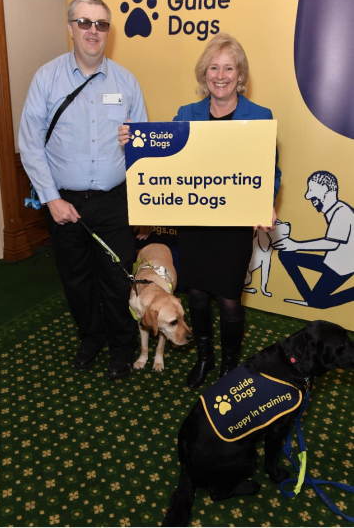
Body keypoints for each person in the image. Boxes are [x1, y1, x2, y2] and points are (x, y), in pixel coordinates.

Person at [119, 32, 281, 388]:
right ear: (203, 73)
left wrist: (265, 201)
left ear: (240, 75)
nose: (220, 75)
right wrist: (134, 144)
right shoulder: (185, 114)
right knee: (196, 295)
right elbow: (166, 165)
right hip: (195, 223)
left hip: (233, 226)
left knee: (229, 301)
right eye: (213, 67)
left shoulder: (260, 116)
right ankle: (205, 358)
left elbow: (271, 171)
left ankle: (228, 367)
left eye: (228, 68)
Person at [19, 0, 149, 380]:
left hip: (114, 201)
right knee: (76, 281)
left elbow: (145, 149)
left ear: (108, 31)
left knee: (116, 278)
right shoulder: (46, 78)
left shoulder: (126, 81)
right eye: (85, 23)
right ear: (71, 28)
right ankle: (90, 338)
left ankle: (123, 347)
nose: (94, 31)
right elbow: (29, 143)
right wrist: (52, 199)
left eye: (102, 24)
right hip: (64, 203)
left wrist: (134, 142)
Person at [274, 171, 354, 308]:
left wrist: (296, 245)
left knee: (318, 303)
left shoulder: (342, 212)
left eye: (312, 190)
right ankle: (309, 298)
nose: (307, 196)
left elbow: (332, 243)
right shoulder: (333, 211)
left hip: (343, 266)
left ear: (328, 190)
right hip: (331, 261)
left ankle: (315, 300)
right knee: (286, 255)